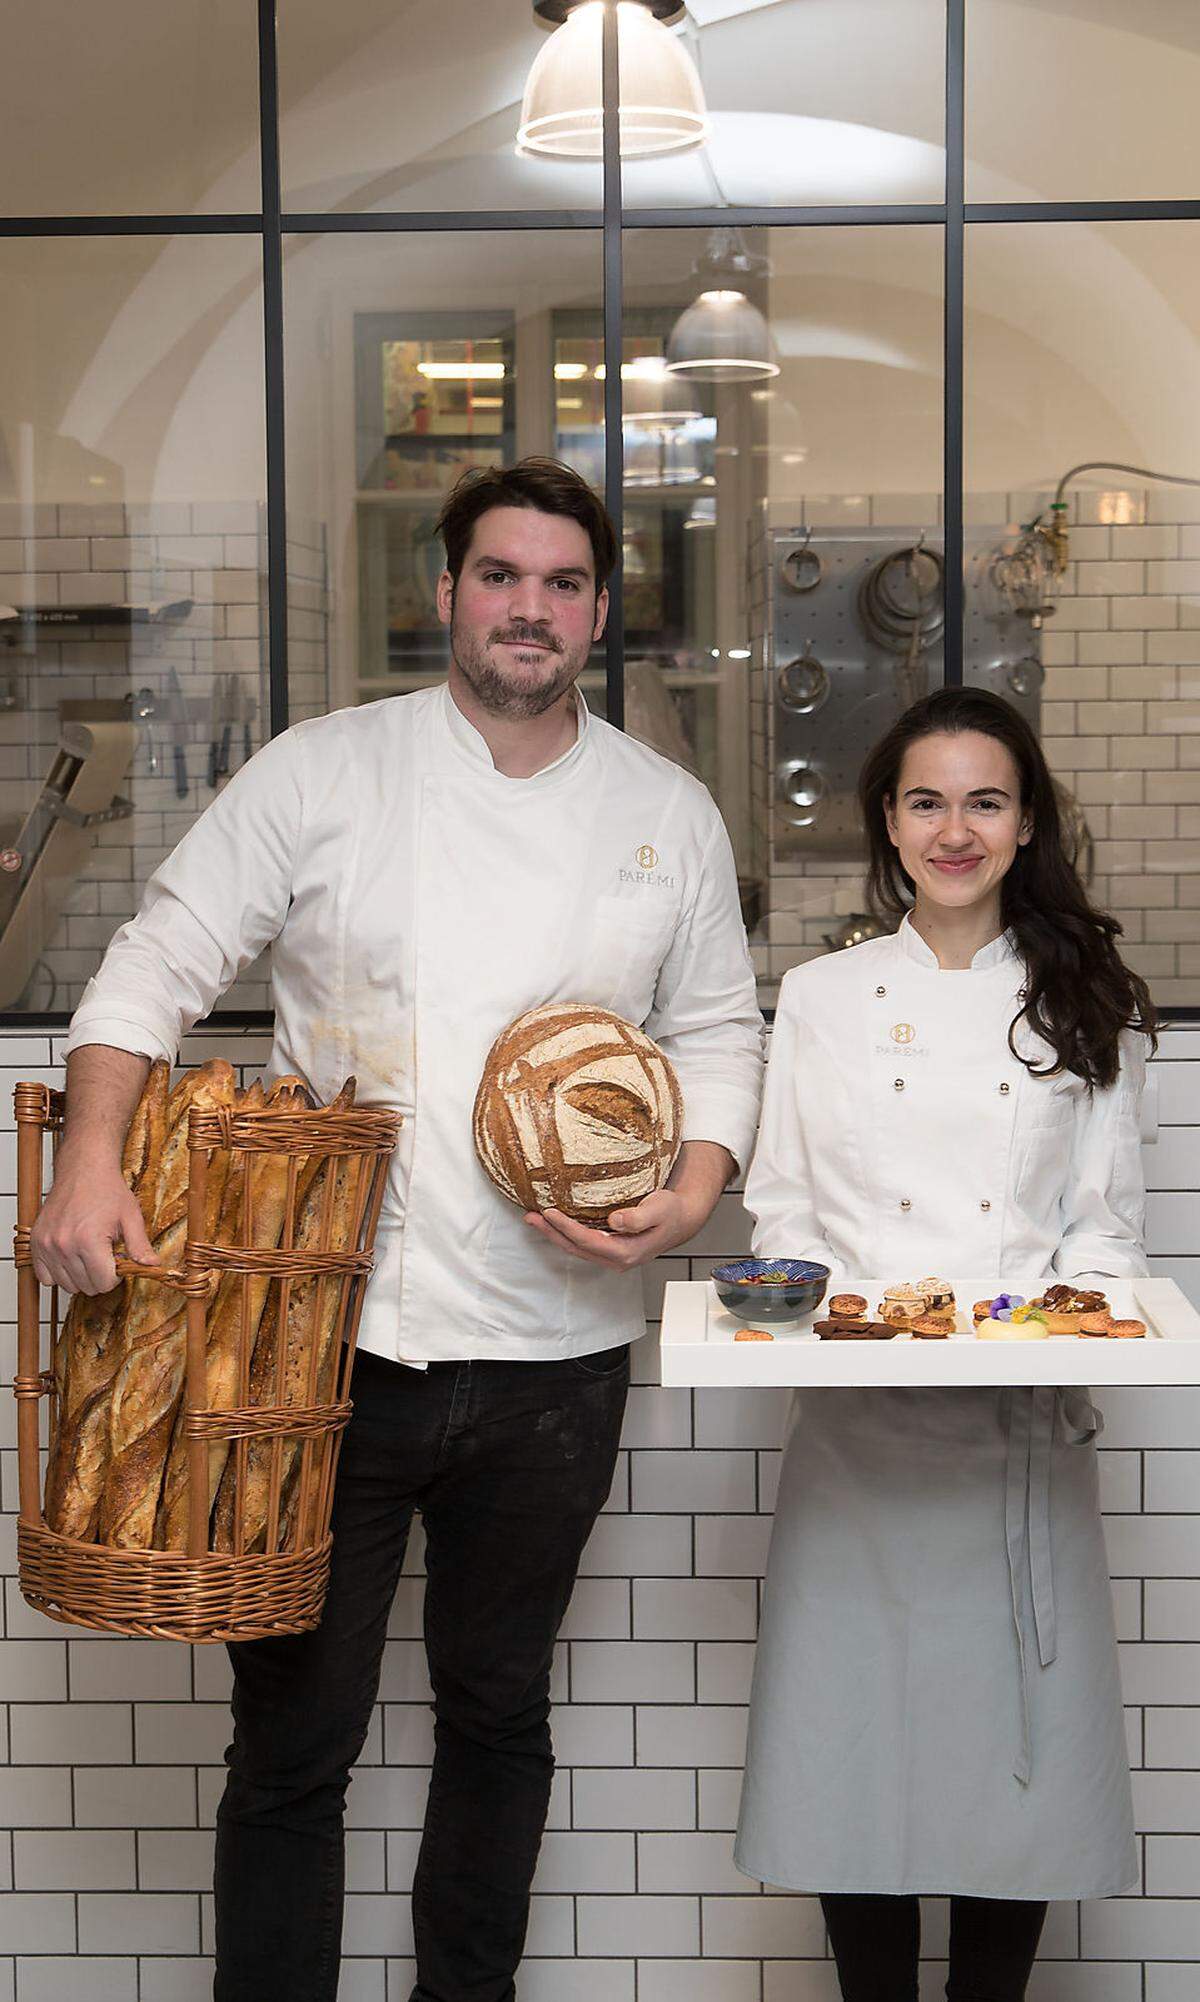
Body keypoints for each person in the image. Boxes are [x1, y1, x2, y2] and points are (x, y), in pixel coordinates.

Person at [31, 456, 764, 2002]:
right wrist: (89, 1155)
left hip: (560, 1360)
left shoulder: (665, 811)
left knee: (499, 1716)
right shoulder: (325, 770)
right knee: (295, 1740)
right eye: (499, 575)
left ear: (602, 615)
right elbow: (157, 956)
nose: (529, 608)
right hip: (324, 1347)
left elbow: (720, 1030)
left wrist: (687, 1195)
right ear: (443, 594)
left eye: (564, 584)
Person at [734, 686, 1156, 2002]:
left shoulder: (1085, 1000)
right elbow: (785, 1214)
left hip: (1016, 1436)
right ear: (889, 821)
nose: (955, 827)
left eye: (985, 800)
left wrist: (1067, 1318)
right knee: (854, 1769)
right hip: (857, 1439)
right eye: (927, 800)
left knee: (1010, 1782)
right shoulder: (818, 996)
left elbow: (1105, 1234)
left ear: (1027, 823)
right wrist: (808, 1316)